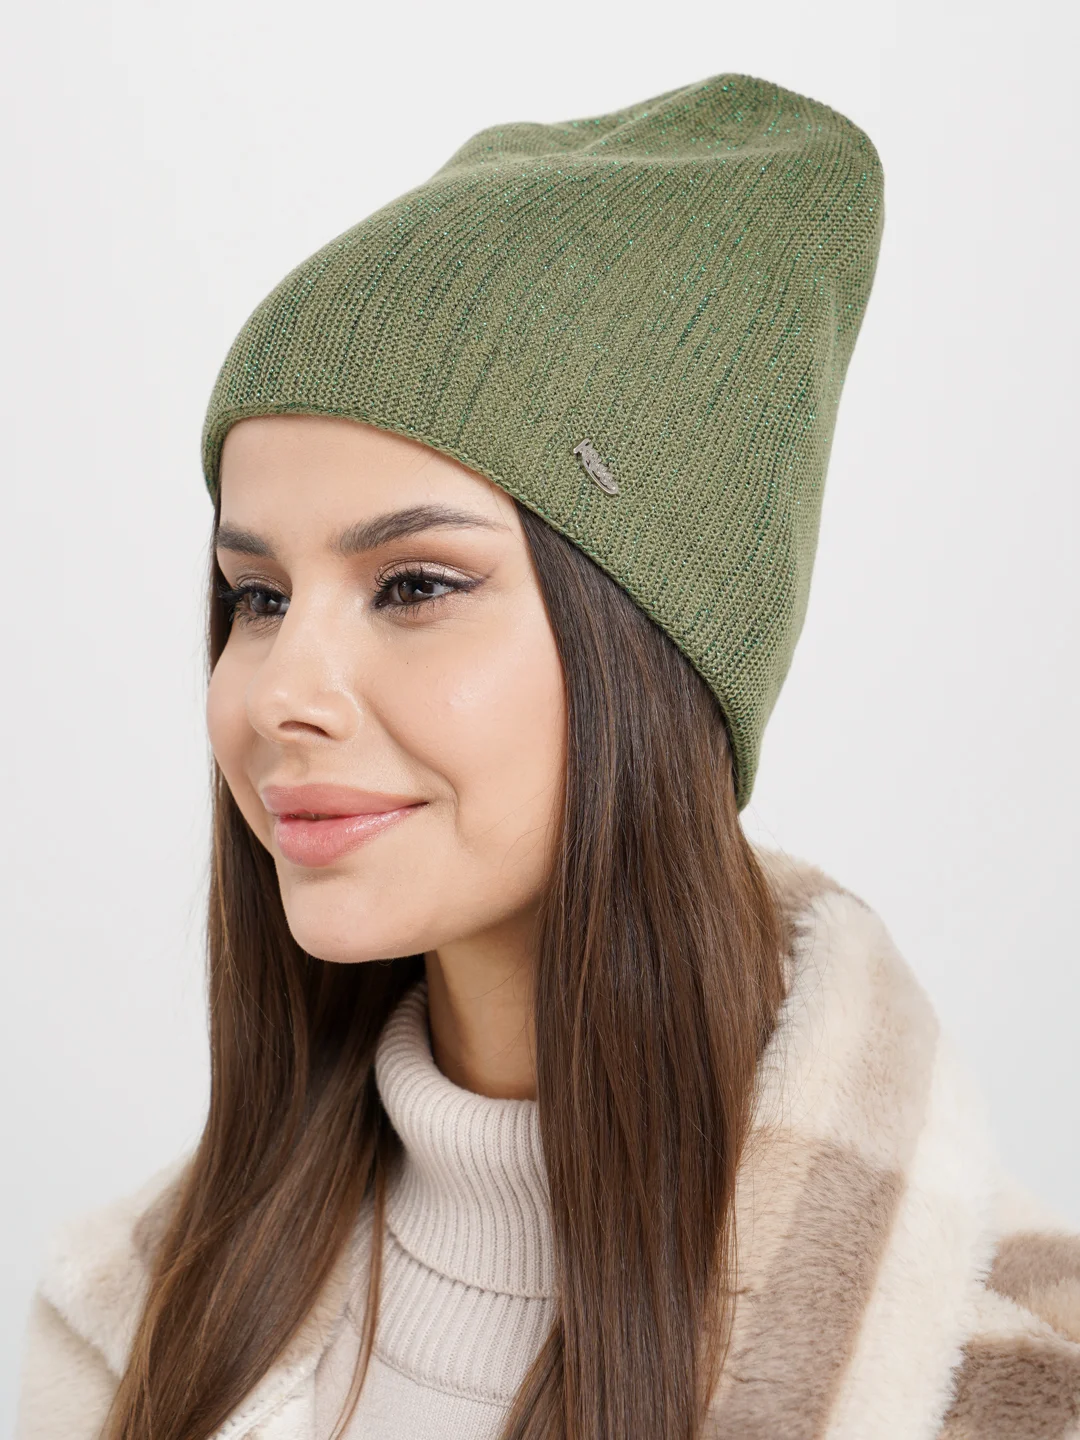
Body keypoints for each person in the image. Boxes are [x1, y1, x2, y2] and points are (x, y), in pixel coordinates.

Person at [15, 70, 1080, 1440]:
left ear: (649, 650)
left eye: (413, 585)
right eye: (258, 598)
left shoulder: (1008, 1387)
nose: (279, 693)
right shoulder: (129, 1321)